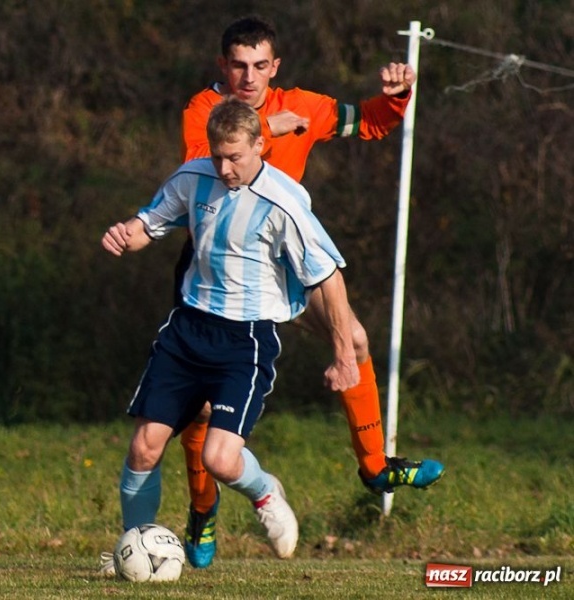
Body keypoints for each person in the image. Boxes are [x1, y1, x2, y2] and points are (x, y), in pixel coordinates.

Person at [175, 16, 444, 569]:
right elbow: (202, 167)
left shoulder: (306, 106)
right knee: (200, 408)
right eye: (238, 65)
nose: (248, 76)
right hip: (219, 270)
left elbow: (368, 123)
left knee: (357, 340)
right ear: (222, 66)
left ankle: (375, 467)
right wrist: (271, 128)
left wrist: (396, 96)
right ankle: (202, 514)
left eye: (259, 66)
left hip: (282, 260)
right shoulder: (205, 111)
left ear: (275, 67)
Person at [101, 97, 357, 569]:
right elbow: (149, 224)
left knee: (220, 459)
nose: (224, 167)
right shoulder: (193, 177)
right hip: (187, 330)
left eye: (235, 156)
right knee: (144, 446)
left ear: (261, 145)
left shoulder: (284, 202)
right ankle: (134, 550)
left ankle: (264, 491)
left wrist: (344, 355)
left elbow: (329, 276)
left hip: (246, 340)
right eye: (217, 155)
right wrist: (126, 235)